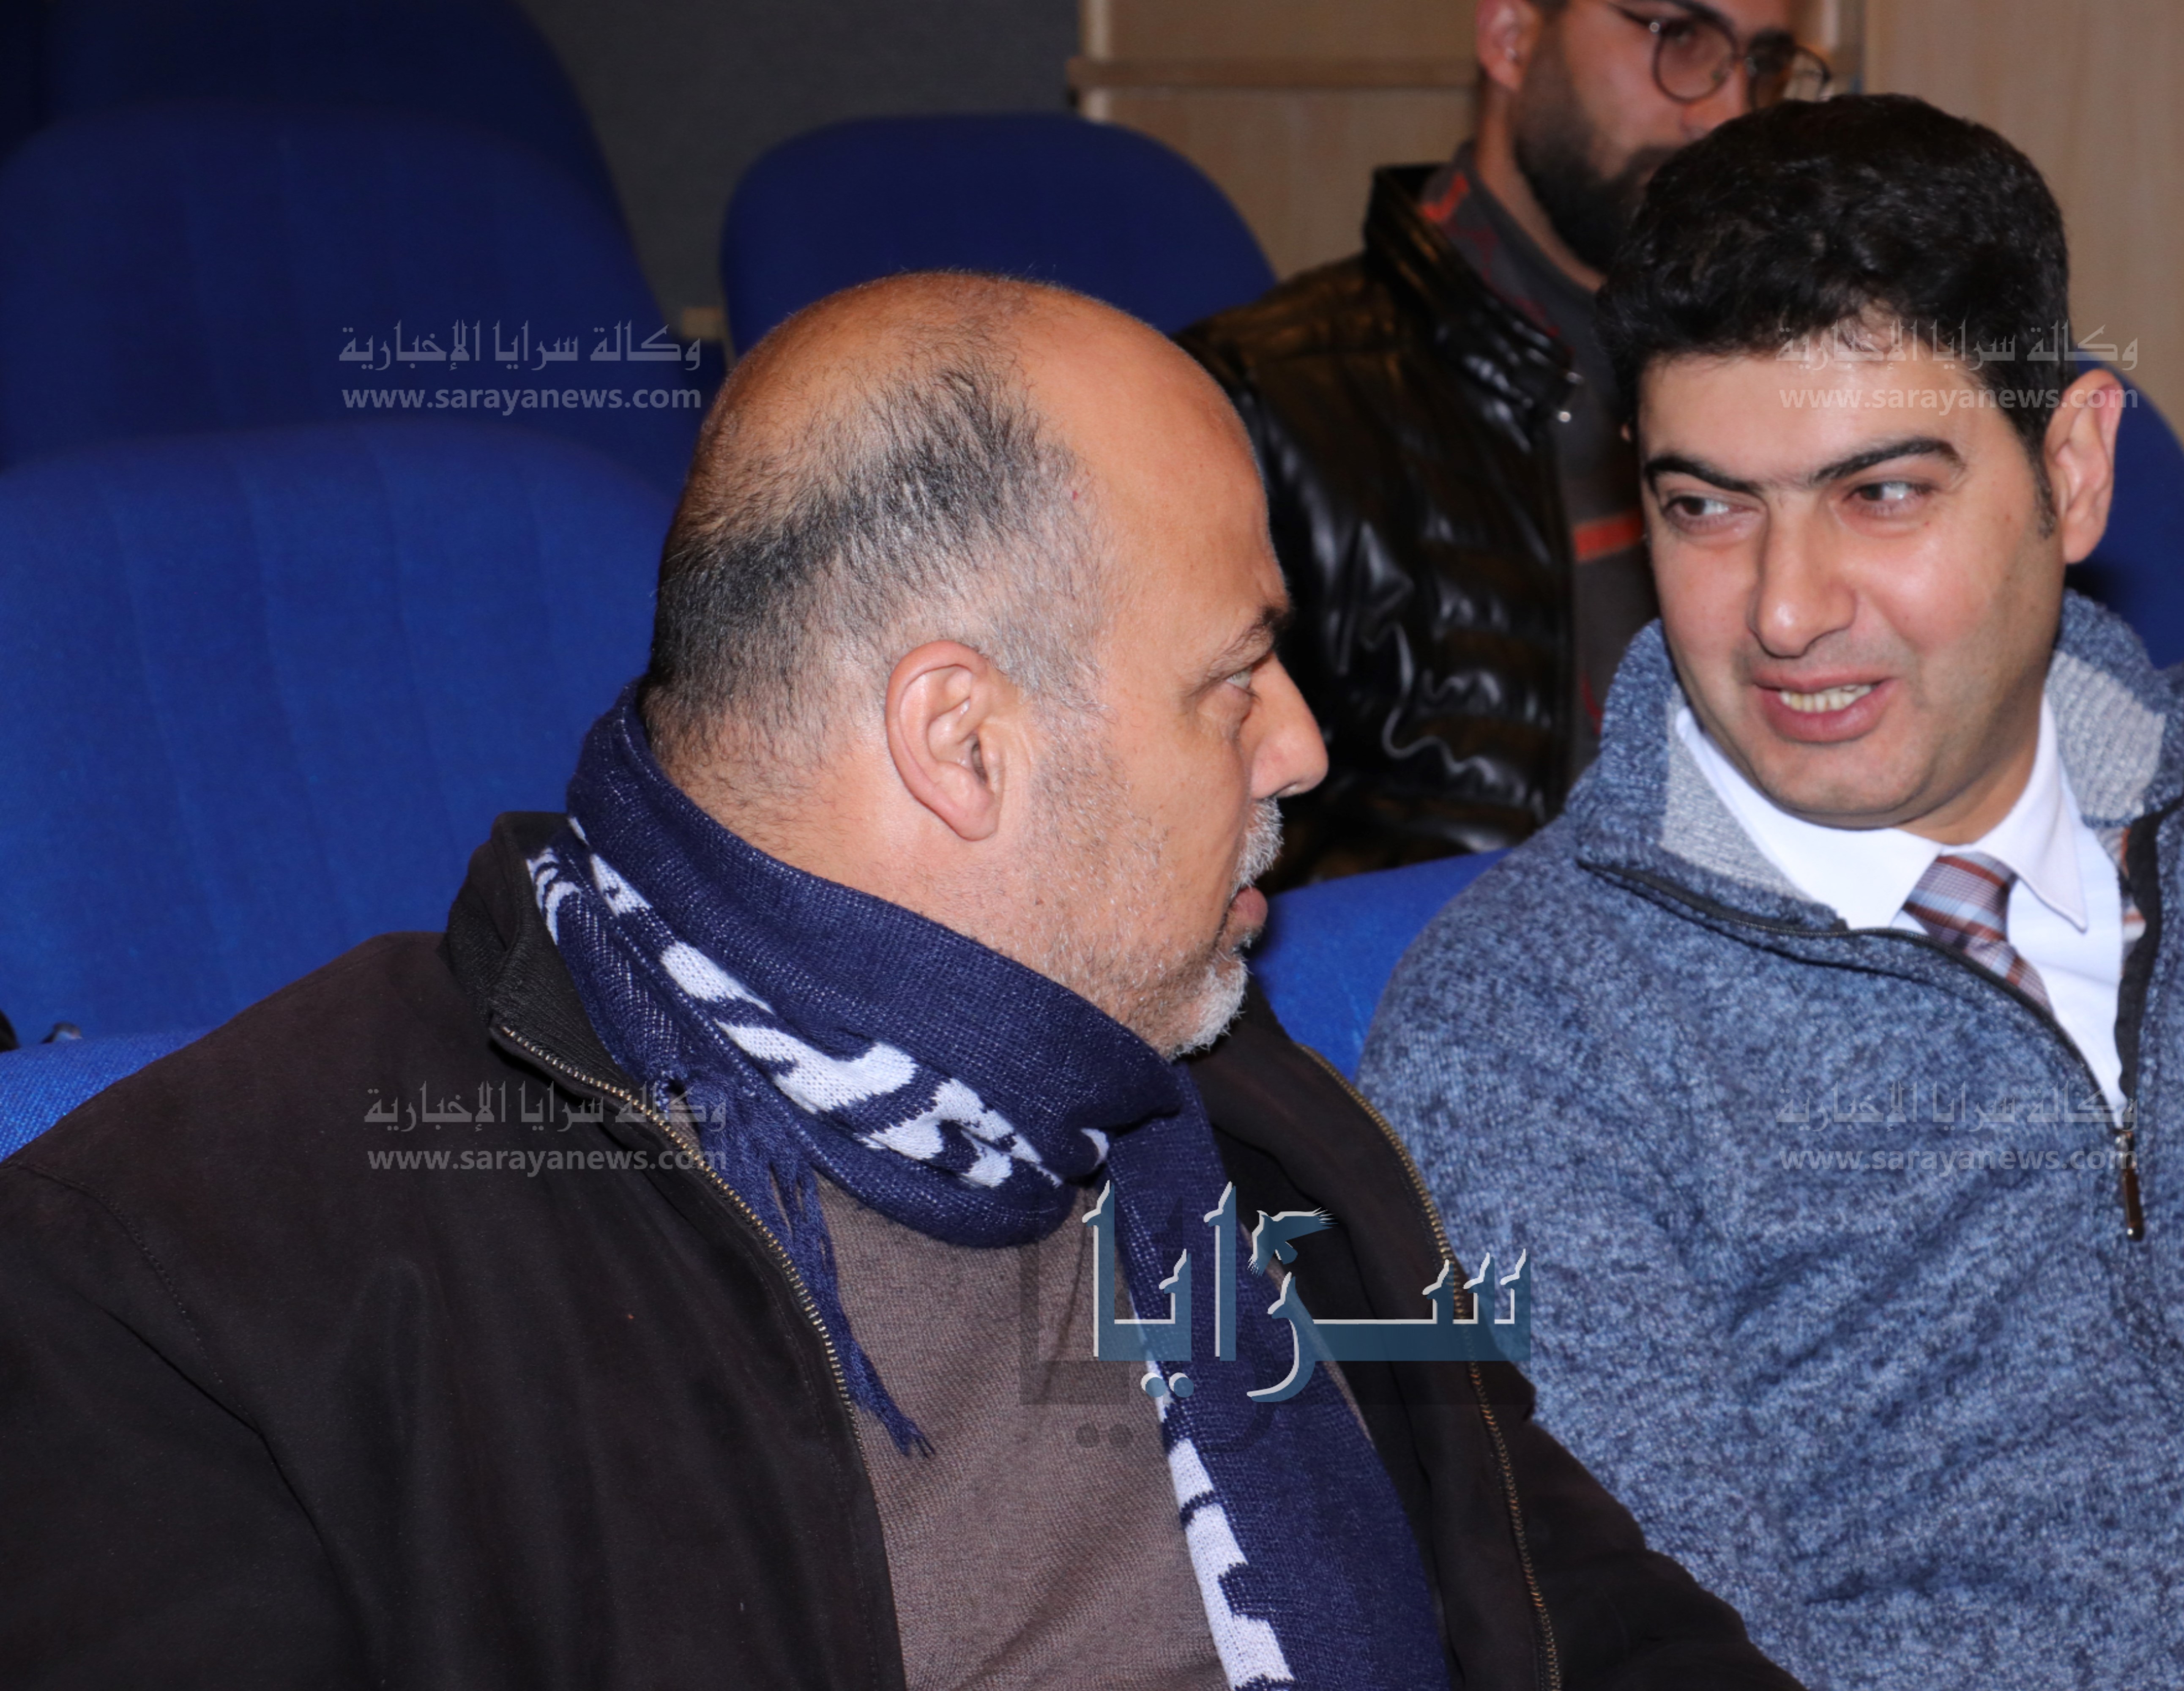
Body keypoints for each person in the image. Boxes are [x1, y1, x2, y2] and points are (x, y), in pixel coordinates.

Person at [0, 275, 1804, 1691]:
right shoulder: (195, 1278)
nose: (1305, 748)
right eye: (1235, 678)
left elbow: (1576, 1613)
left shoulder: (1240, 1112)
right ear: (963, 742)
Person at [1359, 95, 2184, 1690]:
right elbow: (1669, 1659)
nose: (1785, 611)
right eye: (1707, 508)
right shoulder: (1531, 1034)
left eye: (1882, 495)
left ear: (2074, 469)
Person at [1181, 0, 1830, 885]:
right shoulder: (1251, 403)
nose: (1727, 113)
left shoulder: (1819, 381)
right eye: (1679, 37)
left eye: (1763, 64)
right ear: (1511, 36)